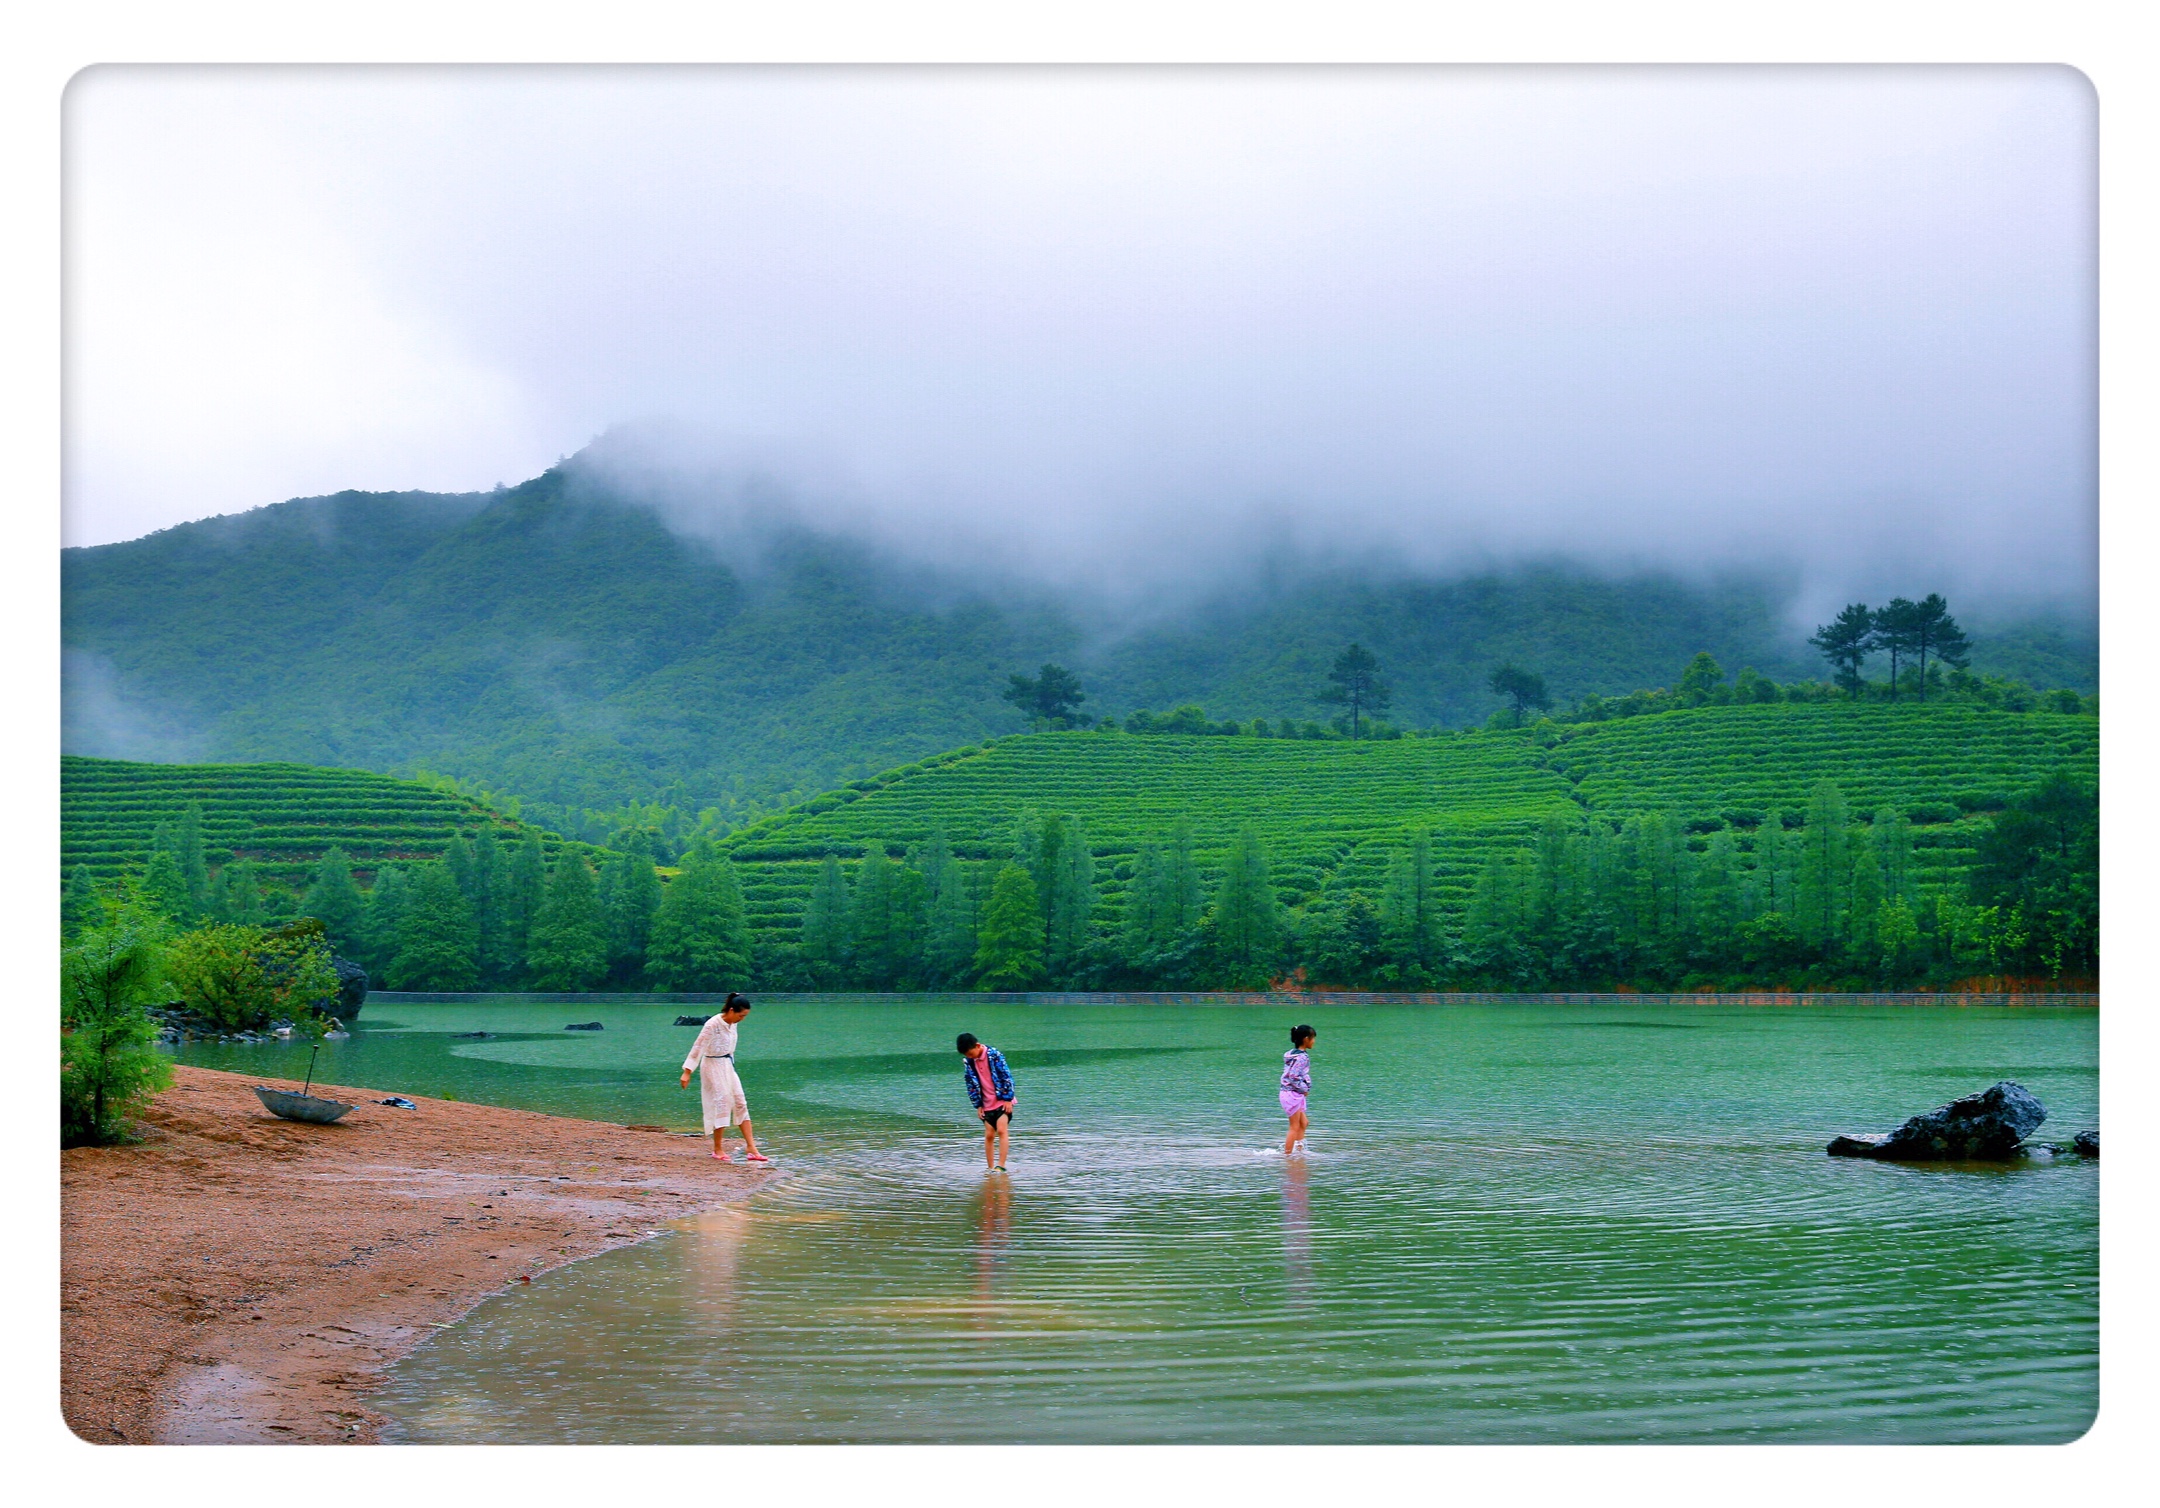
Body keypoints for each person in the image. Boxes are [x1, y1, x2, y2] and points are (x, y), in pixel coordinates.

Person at [680, 993, 771, 1163]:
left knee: (740, 1102)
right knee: (721, 1102)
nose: (741, 1019)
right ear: (731, 1010)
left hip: (727, 1065)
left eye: (744, 1016)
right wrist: (687, 1071)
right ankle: (717, 1148)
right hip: (712, 1065)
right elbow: (698, 1046)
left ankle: (751, 1148)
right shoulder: (713, 1024)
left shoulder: (733, 1023)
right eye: (740, 1015)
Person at [957, 1032, 1016, 1172]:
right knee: (989, 1134)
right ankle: (990, 1167)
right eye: (967, 1055)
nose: (970, 1057)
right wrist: (978, 1105)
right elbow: (970, 1085)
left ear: (977, 1046)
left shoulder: (994, 1055)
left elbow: (1006, 1076)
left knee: (1002, 1130)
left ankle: (1001, 1165)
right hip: (986, 1103)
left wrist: (1008, 1098)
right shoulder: (970, 1062)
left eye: (971, 1054)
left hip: (1002, 1100)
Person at [1281, 1023, 1315, 1155]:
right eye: (1312, 1038)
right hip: (1292, 1094)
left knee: (1304, 1123)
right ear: (1306, 1039)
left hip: (1292, 1093)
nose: (1314, 1041)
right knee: (1294, 1126)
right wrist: (1304, 1089)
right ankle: (1288, 1156)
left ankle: (1299, 1153)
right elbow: (1293, 1076)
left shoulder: (1291, 1054)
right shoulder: (1301, 1057)